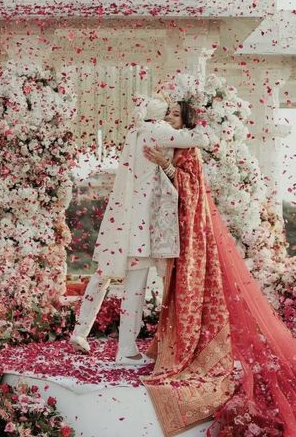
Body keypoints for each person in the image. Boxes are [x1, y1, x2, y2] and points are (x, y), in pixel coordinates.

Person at [142, 100, 296, 437]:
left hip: (192, 231)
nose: (168, 118)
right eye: (168, 113)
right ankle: (180, 345)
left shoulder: (187, 147)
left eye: (174, 114)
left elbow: (191, 188)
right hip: (179, 229)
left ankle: (193, 350)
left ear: (187, 121)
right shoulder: (176, 143)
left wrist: (165, 166)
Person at [70, 96, 208, 365]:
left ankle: (80, 330)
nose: (170, 116)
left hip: (121, 220)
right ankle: (127, 350)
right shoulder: (158, 132)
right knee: (134, 289)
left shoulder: (134, 132)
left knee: (104, 274)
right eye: (167, 112)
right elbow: (200, 139)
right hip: (141, 227)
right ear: (157, 115)